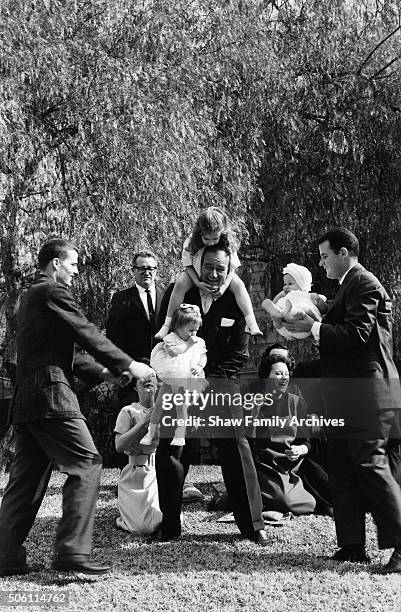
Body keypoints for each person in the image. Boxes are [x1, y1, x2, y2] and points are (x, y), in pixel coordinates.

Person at [0, 239, 154, 577]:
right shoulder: (52, 292)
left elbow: (68, 349)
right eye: (73, 263)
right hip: (51, 397)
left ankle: (5, 556)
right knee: (86, 462)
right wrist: (132, 364)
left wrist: (105, 374)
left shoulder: (31, 297)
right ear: (55, 263)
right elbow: (85, 332)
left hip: (29, 401)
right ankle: (71, 552)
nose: (77, 270)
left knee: (25, 481)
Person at [283, 227, 401, 573]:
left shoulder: (364, 283)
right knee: (341, 466)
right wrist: (320, 314)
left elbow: (356, 335)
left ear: (345, 252)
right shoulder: (348, 287)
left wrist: (315, 327)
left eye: (324, 256)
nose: (321, 265)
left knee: (370, 464)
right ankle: (352, 545)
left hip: (367, 392)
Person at [155, 244, 267, 544]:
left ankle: (253, 525)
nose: (215, 274)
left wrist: (209, 380)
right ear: (197, 265)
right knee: (172, 450)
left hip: (221, 381)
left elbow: (240, 352)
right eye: (209, 267)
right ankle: (169, 526)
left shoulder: (235, 298)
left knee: (237, 448)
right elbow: (163, 336)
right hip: (180, 381)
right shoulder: (178, 292)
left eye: (221, 268)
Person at [155, 206, 262, 338]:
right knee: (180, 283)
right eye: (207, 239)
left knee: (239, 285)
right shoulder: (190, 241)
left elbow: (233, 268)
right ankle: (167, 325)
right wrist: (197, 282)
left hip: (224, 273)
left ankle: (251, 322)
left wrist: (224, 286)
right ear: (200, 232)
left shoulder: (228, 241)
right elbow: (187, 264)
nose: (211, 243)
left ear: (222, 232)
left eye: (214, 239)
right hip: (194, 271)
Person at [250, 354, 317, 516]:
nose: (284, 378)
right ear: (266, 377)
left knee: (311, 503)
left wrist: (301, 449)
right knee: (285, 501)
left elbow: (307, 440)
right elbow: (248, 441)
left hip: (290, 468)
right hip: (263, 466)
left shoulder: (296, 402)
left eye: (286, 374)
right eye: (278, 374)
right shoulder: (254, 402)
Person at [140, 304, 207, 447]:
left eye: (196, 330)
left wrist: (199, 365)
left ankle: (179, 434)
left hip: (186, 379)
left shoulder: (198, 341)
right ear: (178, 327)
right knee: (159, 405)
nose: (193, 334)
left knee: (181, 406)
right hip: (170, 378)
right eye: (190, 330)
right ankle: (151, 432)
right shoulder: (171, 338)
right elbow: (173, 352)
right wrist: (188, 344)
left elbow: (203, 356)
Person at [106, 250, 164, 406]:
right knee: (130, 418)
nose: (147, 272)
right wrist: (124, 368)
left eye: (151, 268)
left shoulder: (168, 297)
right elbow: (113, 338)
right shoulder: (121, 299)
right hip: (133, 374)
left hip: (163, 374)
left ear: (156, 270)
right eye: (142, 268)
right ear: (133, 271)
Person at [114, 376, 162, 536]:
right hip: (135, 475)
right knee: (142, 529)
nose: (148, 379)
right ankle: (125, 516)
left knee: (164, 521)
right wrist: (143, 423)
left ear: (158, 384)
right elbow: (120, 445)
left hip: (160, 474)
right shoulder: (128, 411)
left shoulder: (167, 411)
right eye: (142, 376)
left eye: (152, 376)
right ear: (135, 386)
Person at [262, 263, 327, 340]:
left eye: (290, 284)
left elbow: (324, 309)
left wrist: (318, 300)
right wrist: (279, 296)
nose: (286, 287)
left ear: (302, 284)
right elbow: (274, 304)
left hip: (305, 326)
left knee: (298, 311)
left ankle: (284, 314)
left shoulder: (307, 296)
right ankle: (277, 316)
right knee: (277, 313)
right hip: (286, 329)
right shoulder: (286, 297)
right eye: (284, 284)